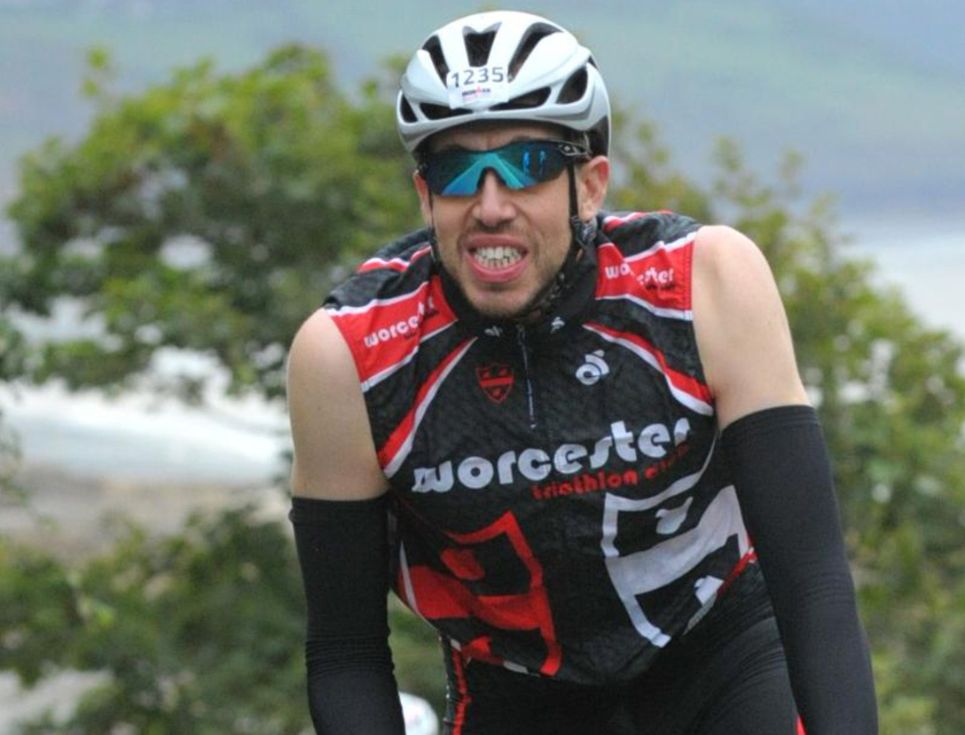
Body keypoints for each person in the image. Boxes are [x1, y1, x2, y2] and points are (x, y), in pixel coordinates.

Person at [286, 10, 878, 735]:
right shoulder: (351, 353)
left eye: (528, 164)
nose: (491, 204)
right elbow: (346, 650)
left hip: (719, 659)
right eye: (456, 171)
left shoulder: (701, 284)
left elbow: (811, 582)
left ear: (589, 185)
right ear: (424, 195)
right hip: (519, 692)